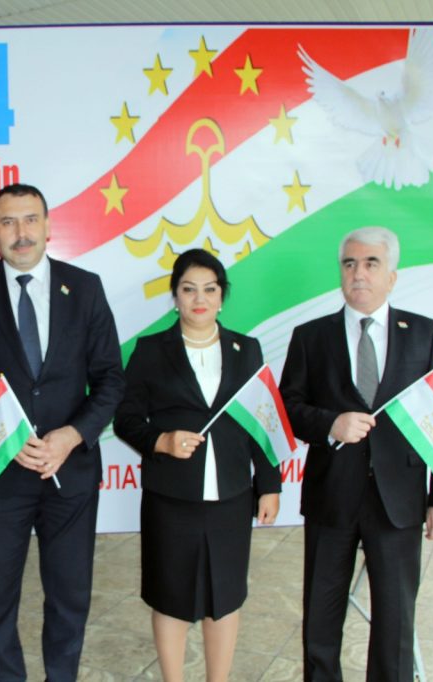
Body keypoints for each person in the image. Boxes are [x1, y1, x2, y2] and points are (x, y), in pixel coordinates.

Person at [0, 183, 125, 681]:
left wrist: (72, 435)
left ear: (48, 225)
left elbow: (110, 378)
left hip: (70, 473)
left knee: (69, 597)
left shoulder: (85, 288)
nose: (21, 232)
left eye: (30, 219)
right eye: (8, 222)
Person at [279, 226, 433, 681]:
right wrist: (330, 424)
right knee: (320, 621)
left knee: (395, 624)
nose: (359, 273)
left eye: (371, 263)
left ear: (391, 276)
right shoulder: (310, 337)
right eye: (350, 263)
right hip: (331, 497)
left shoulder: (424, 334)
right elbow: (289, 409)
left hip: (399, 501)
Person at [113, 249, 281, 682]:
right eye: (189, 290)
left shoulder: (247, 349)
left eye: (210, 289)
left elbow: (262, 420)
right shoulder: (150, 351)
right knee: (171, 597)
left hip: (231, 496)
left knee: (224, 597)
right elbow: (125, 419)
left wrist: (269, 484)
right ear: (175, 297)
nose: (200, 299)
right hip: (171, 497)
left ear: (222, 296)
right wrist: (161, 441)